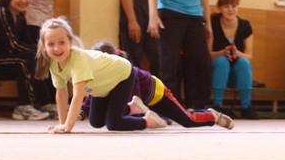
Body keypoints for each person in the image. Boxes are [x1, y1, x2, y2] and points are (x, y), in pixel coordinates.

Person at [34, 18, 165, 133]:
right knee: (96, 122)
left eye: (62, 42)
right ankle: (132, 108)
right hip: (103, 86)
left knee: (114, 124)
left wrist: (68, 126)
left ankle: (148, 120)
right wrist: (62, 124)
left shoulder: (78, 59)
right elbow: (61, 93)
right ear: (44, 46)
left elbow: (78, 95)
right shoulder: (53, 63)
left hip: (121, 74)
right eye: (51, 44)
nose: (57, 48)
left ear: (70, 41)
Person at [84, 41, 234, 130]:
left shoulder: (126, 72)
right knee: (107, 115)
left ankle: (212, 116)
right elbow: (94, 94)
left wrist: (137, 114)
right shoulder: (101, 76)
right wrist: (83, 111)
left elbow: (134, 97)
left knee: (188, 120)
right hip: (140, 102)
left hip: (157, 94)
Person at [0, 0, 53, 120]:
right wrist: (41, 51)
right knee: (23, 62)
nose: (23, 0)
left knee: (40, 59)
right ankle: (23, 107)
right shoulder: (0, 11)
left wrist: (44, 53)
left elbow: (26, 43)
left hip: (5, 60)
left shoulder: (20, 17)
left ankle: (46, 103)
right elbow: (14, 45)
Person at [209, 0, 255, 119]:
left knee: (244, 62)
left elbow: (249, 55)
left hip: (236, 74)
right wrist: (222, 52)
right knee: (222, 61)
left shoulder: (245, 25)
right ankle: (217, 104)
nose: (230, 9)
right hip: (216, 71)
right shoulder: (212, 22)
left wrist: (238, 54)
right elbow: (207, 53)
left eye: (233, 6)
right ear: (219, 8)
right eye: (226, 6)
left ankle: (246, 106)